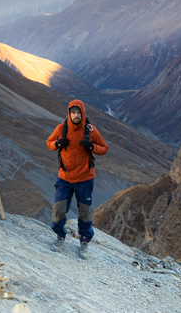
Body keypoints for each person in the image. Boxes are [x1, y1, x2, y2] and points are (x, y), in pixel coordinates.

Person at [46, 99, 108, 259]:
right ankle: (60, 237)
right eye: (73, 112)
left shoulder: (90, 130)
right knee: (58, 210)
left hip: (84, 179)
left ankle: (84, 242)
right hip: (64, 178)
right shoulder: (61, 129)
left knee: (85, 213)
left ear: (82, 113)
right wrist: (58, 144)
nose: (75, 115)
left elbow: (104, 148)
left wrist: (92, 147)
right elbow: (49, 142)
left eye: (78, 112)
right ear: (69, 113)